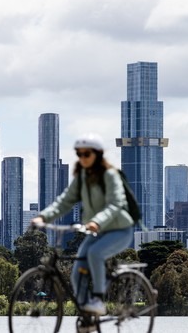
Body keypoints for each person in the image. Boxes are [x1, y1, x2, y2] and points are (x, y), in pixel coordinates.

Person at [31, 133, 134, 315]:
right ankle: (87, 314)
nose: (83, 158)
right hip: (97, 232)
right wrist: (43, 217)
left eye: (87, 154)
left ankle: (98, 300)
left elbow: (115, 204)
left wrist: (97, 221)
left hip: (120, 230)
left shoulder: (110, 176)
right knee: (77, 271)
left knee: (95, 253)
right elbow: (64, 201)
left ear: (98, 155)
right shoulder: (81, 178)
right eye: (79, 154)